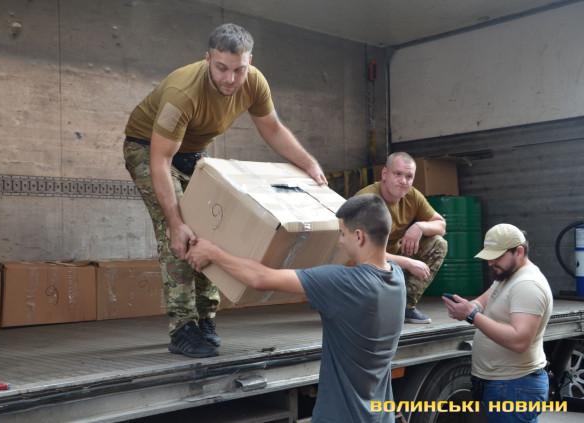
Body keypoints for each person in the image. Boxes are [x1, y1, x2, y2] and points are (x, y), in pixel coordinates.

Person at [123, 23, 327, 358]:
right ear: (207, 59)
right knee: (180, 232)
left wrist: (308, 163)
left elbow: (272, 128)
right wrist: (175, 222)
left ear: (250, 62)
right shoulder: (183, 92)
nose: (230, 79)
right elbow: (160, 161)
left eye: (238, 69)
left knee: (212, 227)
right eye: (221, 68)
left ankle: (205, 318)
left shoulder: (254, 82)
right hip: (148, 149)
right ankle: (182, 327)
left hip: (192, 151)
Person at [186, 194, 405, 422]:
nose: (339, 242)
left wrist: (211, 252)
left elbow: (260, 278)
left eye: (342, 233)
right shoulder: (397, 277)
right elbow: (386, 260)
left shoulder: (344, 284)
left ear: (359, 236)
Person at [443, 224, 553, 423]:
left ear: (519, 252)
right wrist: (468, 307)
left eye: (497, 256)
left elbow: (519, 341)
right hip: (507, 385)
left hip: (514, 386)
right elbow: (483, 302)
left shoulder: (527, 285)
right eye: (489, 256)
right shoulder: (507, 276)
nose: (490, 262)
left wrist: (471, 315)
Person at [355, 152, 447, 324]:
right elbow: (365, 253)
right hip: (361, 269)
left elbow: (441, 225)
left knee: (438, 244)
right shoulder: (367, 201)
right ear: (385, 174)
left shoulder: (412, 196)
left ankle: (406, 307)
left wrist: (419, 226)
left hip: (391, 261)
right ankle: (377, 304)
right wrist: (409, 263)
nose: (403, 181)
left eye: (409, 176)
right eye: (397, 174)